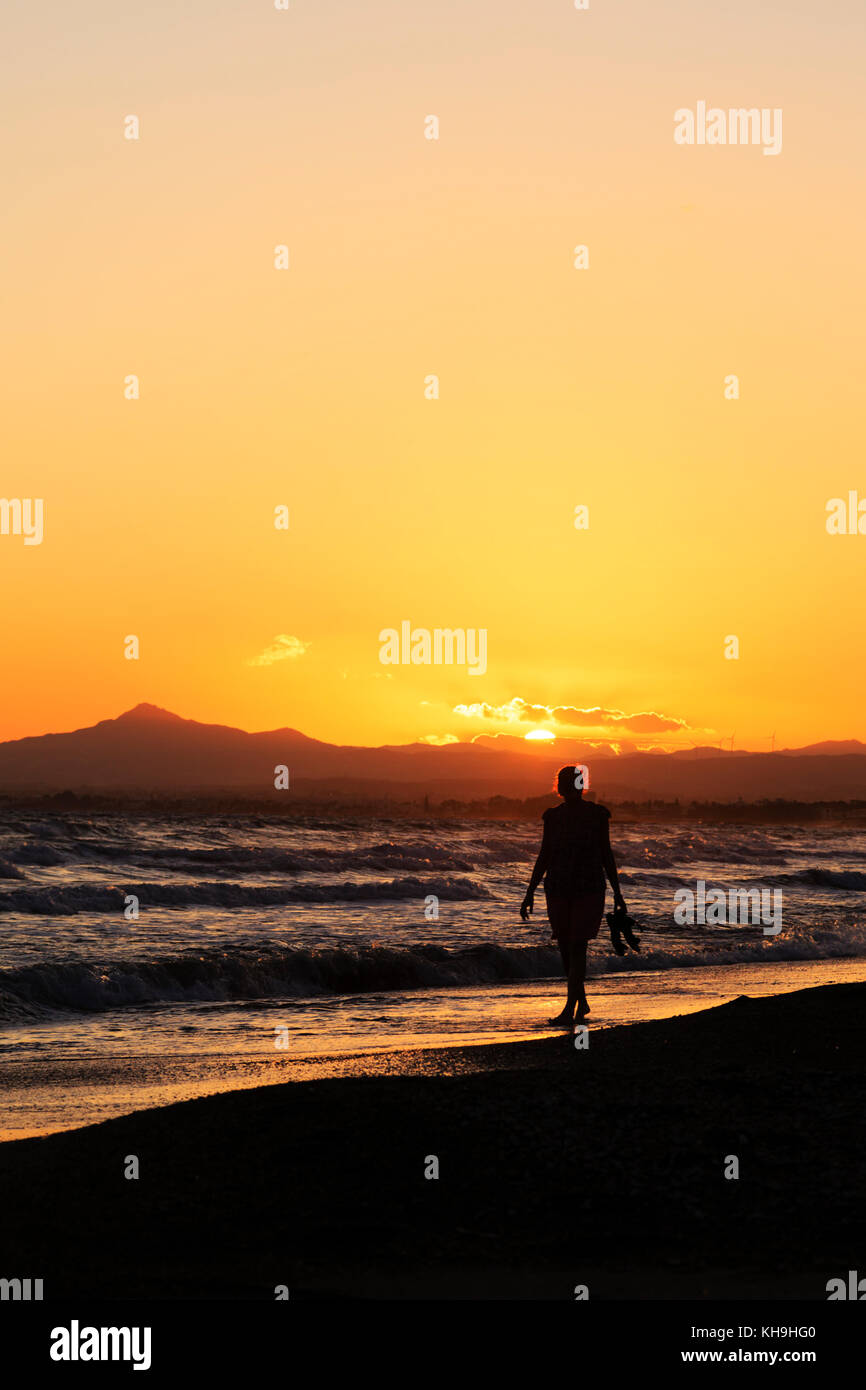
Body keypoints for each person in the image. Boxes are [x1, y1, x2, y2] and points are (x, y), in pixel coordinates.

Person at [520, 765, 626, 1026]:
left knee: (576, 946)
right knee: (566, 947)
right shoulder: (554, 817)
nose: (570, 787)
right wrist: (530, 891)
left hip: (585, 888)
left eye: (572, 782)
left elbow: (606, 855)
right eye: (567, 783)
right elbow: (544, 855)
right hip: (559, 887)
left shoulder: (597, 815)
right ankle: (581, 999)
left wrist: (618, 892)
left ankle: (571, 1008)